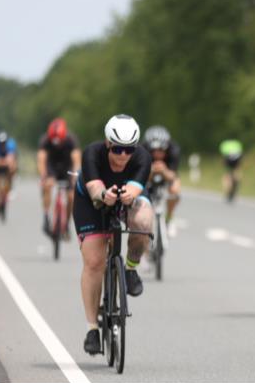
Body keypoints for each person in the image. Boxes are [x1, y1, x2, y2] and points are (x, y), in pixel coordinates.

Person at [72, 114, 153, 355]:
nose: (123, 156)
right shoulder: (92, 154)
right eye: (117, 149)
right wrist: (103, 195)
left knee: (143, 221)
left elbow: (136, 187)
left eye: (128, 149)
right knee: (95, 261)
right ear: (108, 143)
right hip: (91, 200)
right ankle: (92, 329)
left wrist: (127, 194)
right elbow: (95, 189)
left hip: (127, 195)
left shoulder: (143, 157)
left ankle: (130, 268)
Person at [37, 117, 81, 236]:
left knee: (71, 196)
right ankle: (46, 216)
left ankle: (66, 223)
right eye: (53, 141)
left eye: (59, 141)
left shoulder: (70, 139)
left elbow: (76, 159)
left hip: (67, 168)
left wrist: (75, 175)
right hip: (52, 167)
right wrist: (43, 176)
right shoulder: (45, 140)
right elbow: (41, 159)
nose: (56, 144)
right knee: (47, 185)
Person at [142, 126, 181, 237]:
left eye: (161, 150)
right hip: (148, 175)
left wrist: (163, 171)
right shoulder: (141, 150)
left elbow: (173, 176)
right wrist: (151, 172)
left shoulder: (174, 150)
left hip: (167, 173)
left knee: (175, 189)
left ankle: (169, 218)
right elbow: (139, 178)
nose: (156, 154)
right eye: (153, 150)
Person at [0, 131, 17, 218]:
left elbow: (11, 160)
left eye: (4, 143)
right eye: (0, 143)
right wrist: (5, 161)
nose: (2, 145)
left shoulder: (11, 145)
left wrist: (8, 165)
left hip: (7, 167)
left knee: (12, 169)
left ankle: (10, 186)